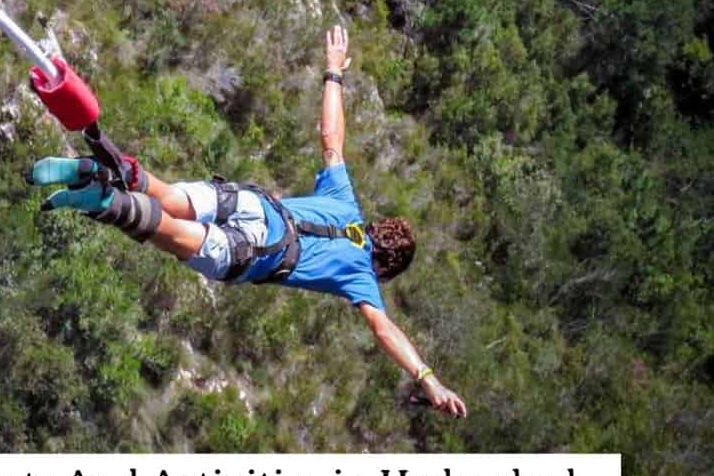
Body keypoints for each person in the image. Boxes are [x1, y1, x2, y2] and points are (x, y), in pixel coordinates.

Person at [28, 25, 468, 417]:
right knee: (167, 230)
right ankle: (105, 200)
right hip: (256, 253)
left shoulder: (346, 202)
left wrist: (334, 72)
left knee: (166, 195)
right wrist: (427, 377)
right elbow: (383, 328)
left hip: (254, 205)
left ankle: (98, 157)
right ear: (385, 266)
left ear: (376, 230)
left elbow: (331, 138)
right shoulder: (362, 279)